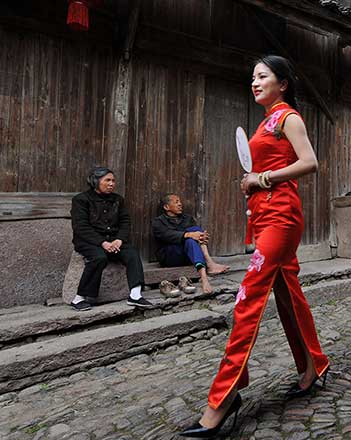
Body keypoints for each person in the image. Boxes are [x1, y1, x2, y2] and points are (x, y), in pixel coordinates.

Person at [179, 56, 329, 438]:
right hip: (264, 216)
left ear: (283, 83)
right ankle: (313, 365)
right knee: (289, 295)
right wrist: (251, 181)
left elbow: (310, 162)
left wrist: (262, 178)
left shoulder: (288, 117)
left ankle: (223, 398)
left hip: (281, 218)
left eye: (263, 76)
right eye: (252, 77)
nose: (255, 82)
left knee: (247, 300)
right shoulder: (264, 123)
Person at [70, 167, 153, 311]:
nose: (111, 184)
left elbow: (125, 221)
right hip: (89, 241)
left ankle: (135, 294)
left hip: (114, 240)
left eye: (113, 181)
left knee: (132, 254)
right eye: (107, 180)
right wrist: (102, 243)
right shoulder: (81, 200)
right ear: (95, 181)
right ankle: (79, 298)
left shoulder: (118, 200)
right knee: (99, 257)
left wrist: (119, 240)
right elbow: (81, 227)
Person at [152, 194, 229, 294]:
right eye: (176, 202)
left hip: (187, 255)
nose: (180, 204)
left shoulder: (187, 218)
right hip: (170, 256)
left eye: (180, 201)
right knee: (191, 236)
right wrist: (189, 234)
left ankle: (205, 274)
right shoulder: (158, 222)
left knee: (194, 234)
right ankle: (208, 265)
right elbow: (167, 235)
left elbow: (195, 236)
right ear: (166, 207)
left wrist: (198, 236)